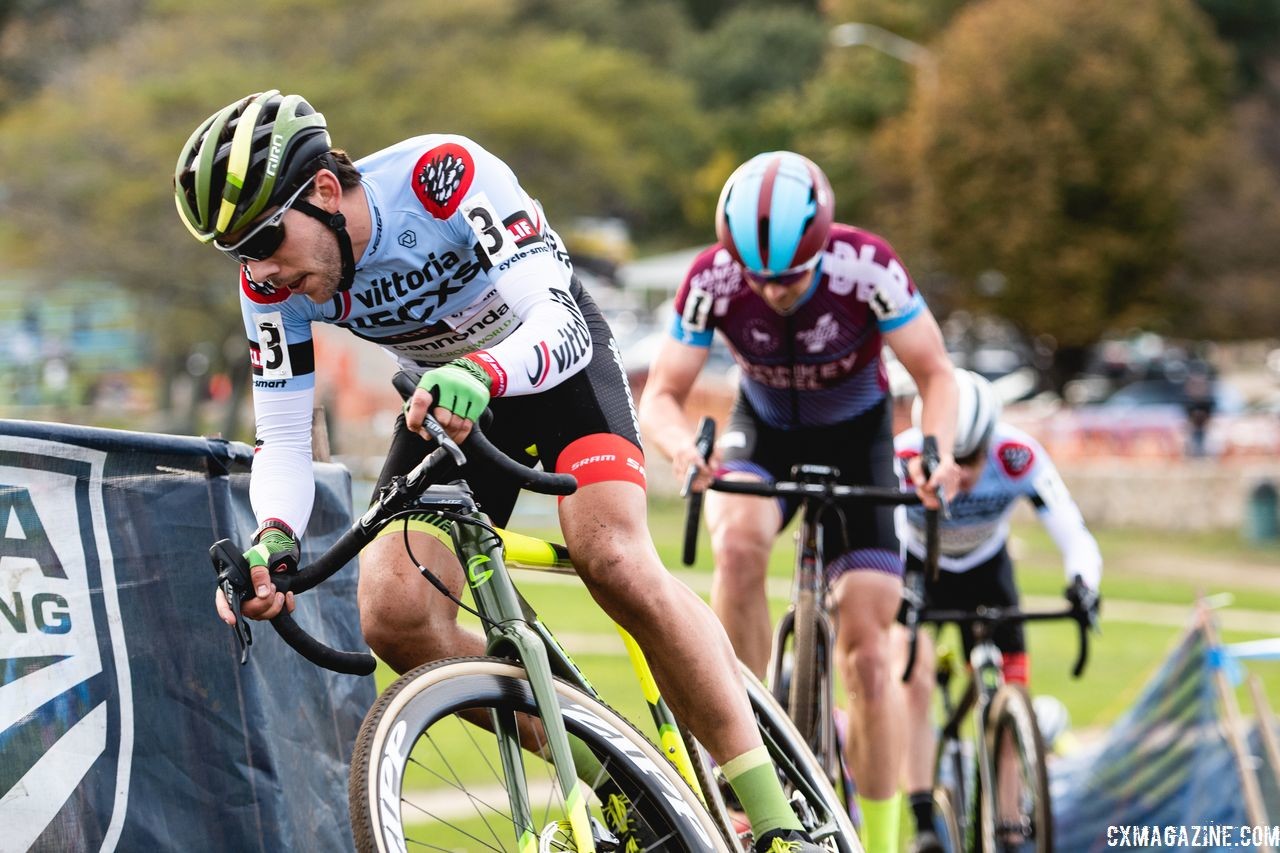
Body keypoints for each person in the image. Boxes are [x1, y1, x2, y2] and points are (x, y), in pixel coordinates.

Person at [174, 90, 828, 852]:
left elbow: (556, 317)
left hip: (549, 363)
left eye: (263, 237)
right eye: (238, 252)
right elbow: (281, 436)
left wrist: (485, 370)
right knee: (394, 611)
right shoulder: (268, 283)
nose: (259, 268)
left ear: (322, 191)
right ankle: (619, 783)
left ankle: (775, 819)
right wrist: (274, 534)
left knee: (610, 554)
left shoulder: (441, 178)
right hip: (447, 393)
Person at [638, 150, 961, 853]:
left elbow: (936, 373)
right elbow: (660, 393)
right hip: (765, 433)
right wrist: (680, 448)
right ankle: (746, 754)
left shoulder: (867, 267)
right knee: (739, 541)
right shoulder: (713, 279)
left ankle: (879, 840)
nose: (774, 291)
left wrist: (935, 450)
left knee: (870, 650)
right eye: (760, 278)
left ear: (821, 249)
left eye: (789, 277)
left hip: (860, 437)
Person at [894, 369, 1102, 853]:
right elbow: (880, 534)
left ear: (991, 440)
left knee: (1013, 687)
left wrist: (1083, 584)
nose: (963, 472)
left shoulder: (1019, 455)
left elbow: (1073, 530)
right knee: (914, 675)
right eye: (953, 458)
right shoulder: (902, 457)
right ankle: (923, 815)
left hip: (988, 569)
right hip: (919, 567)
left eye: (972, 458)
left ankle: (1007, 825)